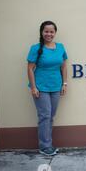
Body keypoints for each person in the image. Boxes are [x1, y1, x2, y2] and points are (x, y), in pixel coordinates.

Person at [27, 21, 68, 156]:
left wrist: (64, 83)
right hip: (40, 87)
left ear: (55, 33)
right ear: (42, 32)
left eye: (51, 31)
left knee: (51, 116)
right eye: (46, 31)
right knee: (44, 116)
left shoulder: (60, 47)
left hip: (56, 86)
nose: (49, 34)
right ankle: (45, 146)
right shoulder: (36, 48)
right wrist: (33, 87)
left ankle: (48, 143)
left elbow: (63, 67)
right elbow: (30, 69)